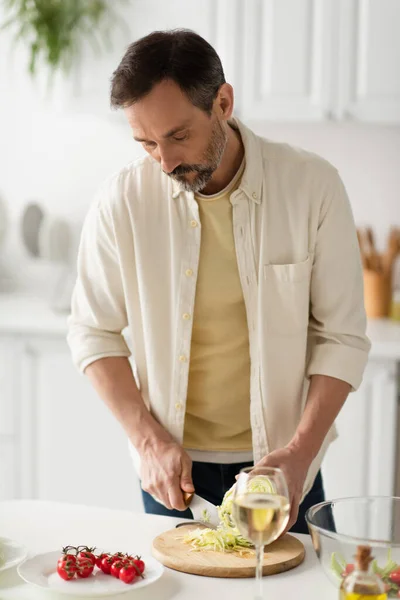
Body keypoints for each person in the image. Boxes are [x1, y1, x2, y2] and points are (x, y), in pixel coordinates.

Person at [67, 29, 370, 534]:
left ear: (223, 102)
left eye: (178, 136)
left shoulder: (312, 187)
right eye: (146, 143)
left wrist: (298, 454)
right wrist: (147, 441)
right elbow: (91, 332)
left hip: (286, 470)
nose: (163, 162)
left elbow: (342, 337)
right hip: (172, 474)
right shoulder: (121, 201)